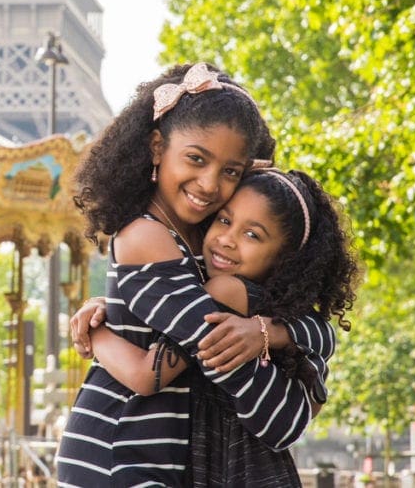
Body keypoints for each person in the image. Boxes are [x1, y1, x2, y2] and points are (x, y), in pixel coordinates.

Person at [54, 62, 338, 487]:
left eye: (230, 172)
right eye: (195, 159)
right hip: (119, 451)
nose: (209, 184)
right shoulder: (146, 237)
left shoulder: (204, 244)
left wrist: (267, 330)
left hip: (161, 455)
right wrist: (96, 334)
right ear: (155, 148)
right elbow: (160, 372)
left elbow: (319, 331)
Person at [78, 166, 358, 486]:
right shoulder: (278, 308)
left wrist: (96, 332)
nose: (227, 240)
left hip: (232, 466)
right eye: (224, 220)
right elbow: (324, 335)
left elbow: (145, 375)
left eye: (252, 235)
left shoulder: (225, 291)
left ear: (284, 259)